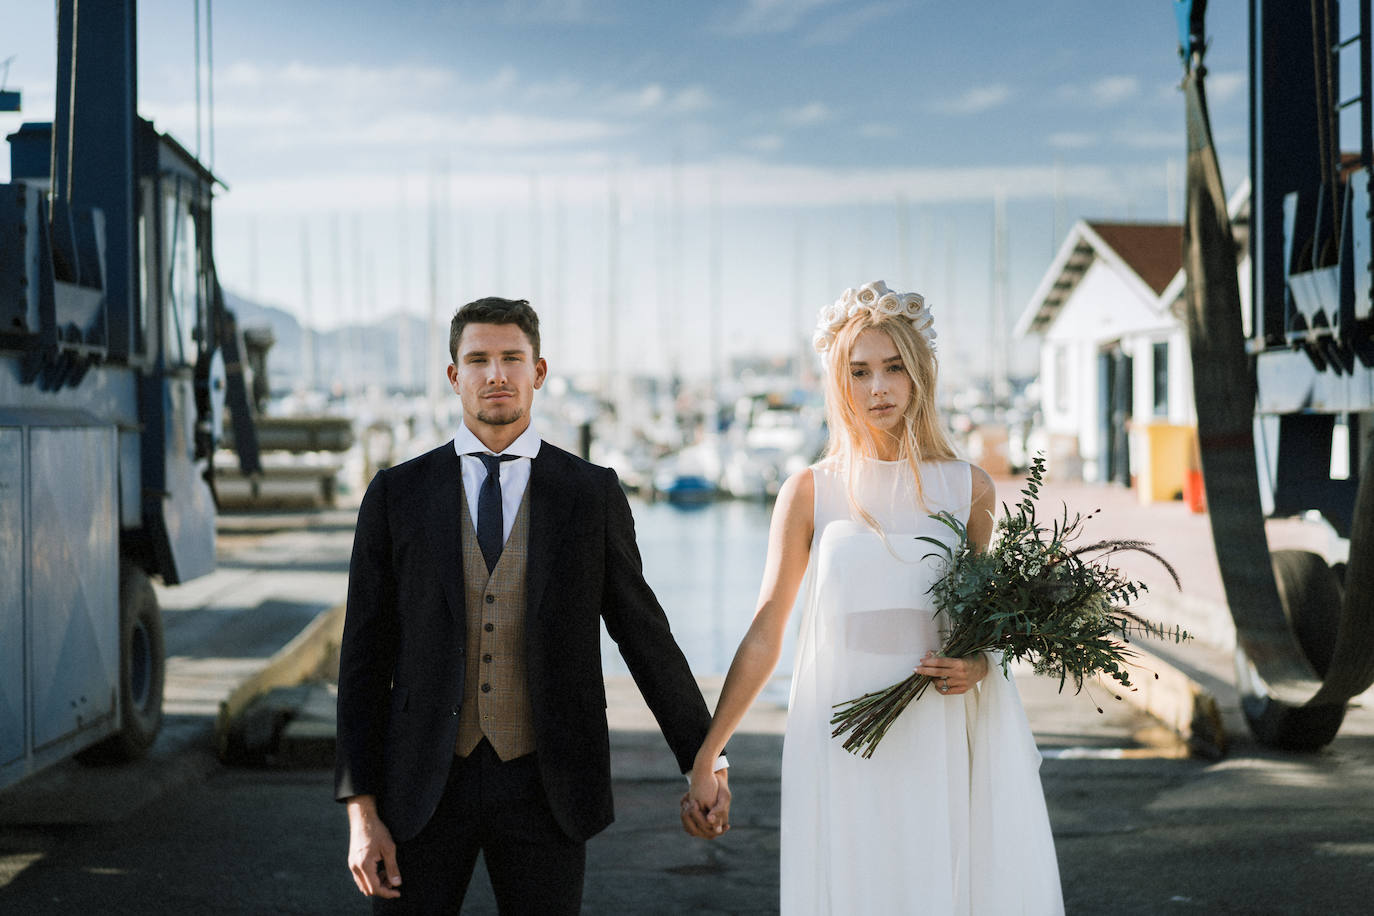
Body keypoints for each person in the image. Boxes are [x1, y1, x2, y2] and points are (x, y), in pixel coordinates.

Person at [335, 297, 731, 914]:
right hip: (419, 787)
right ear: (453, 376)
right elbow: (362, 657)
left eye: (512, 358)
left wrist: (704, 757)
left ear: (538, 372)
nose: (496, 374)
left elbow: (643, 634)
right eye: (479, 360)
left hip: (548, 786)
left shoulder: (589, 494)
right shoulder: (397, 494)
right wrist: (362, 812)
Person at [687, 281, 1064, 914]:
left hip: (935, 726)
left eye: (893, 368)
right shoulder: (810, 490)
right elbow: (767, 627)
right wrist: (709, 753)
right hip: (837, 732)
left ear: (920, 375)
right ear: (840, 384)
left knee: (931, 885)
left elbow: (983, 625)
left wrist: (977, 665)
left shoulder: (967, 488)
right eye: (859, 372)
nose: (877, 388)